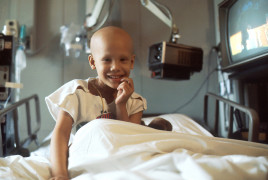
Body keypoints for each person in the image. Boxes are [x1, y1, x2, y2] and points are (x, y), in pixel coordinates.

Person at [46, 26, 171, 180]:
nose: (115, 67)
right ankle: (152, 129)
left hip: (118, 150)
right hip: (87, 151)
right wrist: (60, 174)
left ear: (131, 62)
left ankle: (152, 130)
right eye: (106, 59)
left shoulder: (135, 101)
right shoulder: (76, 93)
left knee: (141, 137)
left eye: (123, 60)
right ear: (93, 61)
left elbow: (127, 141)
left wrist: (121, 104)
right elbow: (60, 135)